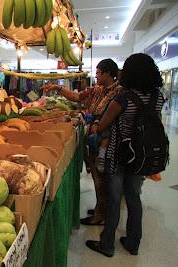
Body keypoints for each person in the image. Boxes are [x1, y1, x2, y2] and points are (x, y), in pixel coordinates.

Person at [85, 53, 164, 257]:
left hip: (119, 154)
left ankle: (107, 244)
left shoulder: (123, 99)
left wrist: (94, 125)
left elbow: (103, 125)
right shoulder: (158, 97)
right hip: (142, 156)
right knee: (133, 198)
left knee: (113, 198)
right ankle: (132, 242)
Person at [42, 59, 123, 225]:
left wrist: (98, 125)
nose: (96, 75)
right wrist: (57, 88)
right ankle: (101, 207)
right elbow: (77, 97)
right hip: (95, 139)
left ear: (108, 73)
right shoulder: (97, 90)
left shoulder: (119, 92)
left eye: (99, 72)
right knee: (97, 175)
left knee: (103, 178)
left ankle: (101, 213)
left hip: (107, 142)